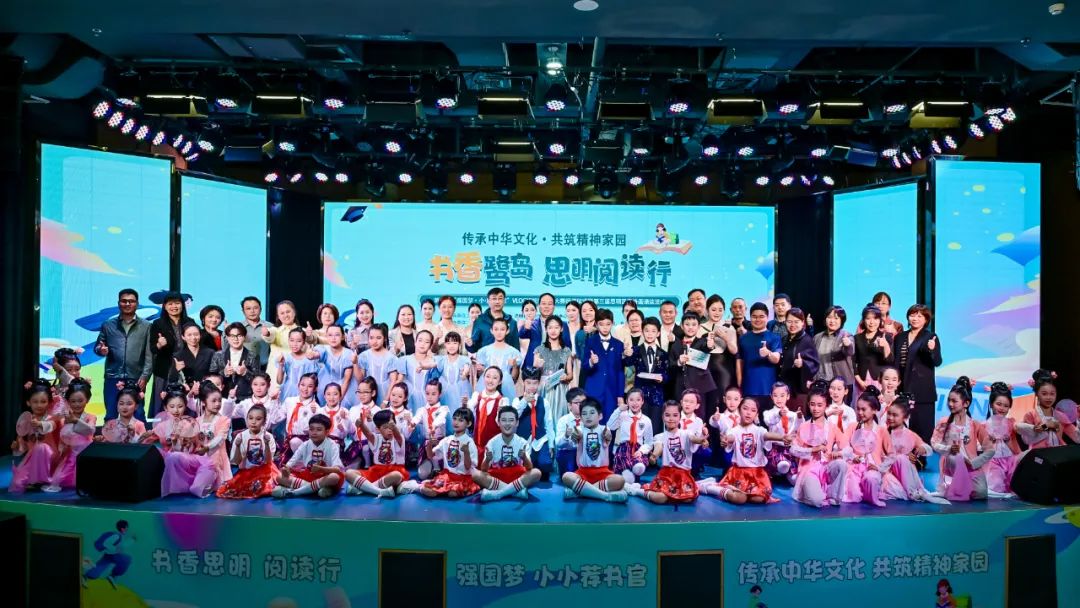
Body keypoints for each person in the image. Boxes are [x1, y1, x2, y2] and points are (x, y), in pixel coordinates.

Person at [698, 397, 786, 504]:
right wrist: (726, 440)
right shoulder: (734, 430)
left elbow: (767, 435)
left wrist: (783, 437)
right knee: (740, 499)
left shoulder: (759, 430)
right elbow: (731, 437)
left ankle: (741, 492)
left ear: (756, 414)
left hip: (757, 474)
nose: (748, 413)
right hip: (739, 473)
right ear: (739, 410)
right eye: (745, 408)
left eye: (753, 410)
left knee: (758, 499)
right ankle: (709, 488)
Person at [142, 386, 217, 498]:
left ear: (185, 407)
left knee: (174, 456)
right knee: (154, 451)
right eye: (172, 407)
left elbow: (193, 448)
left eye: (180, 406)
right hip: (170, 456)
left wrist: (178, 441)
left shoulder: (190, 424)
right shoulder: (162, 426)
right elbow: (144, 443)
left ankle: (188, 485)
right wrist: (143, 436)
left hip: (188, 458)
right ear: (165, 408)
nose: (176, 410)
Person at [628, 400, 708, 504]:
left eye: (675, 415)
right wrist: (654, 456)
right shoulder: (660, 436)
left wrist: (701, 440)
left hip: (684, 476)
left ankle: (673, 495)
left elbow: (693, 438)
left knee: (688, 498)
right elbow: (659, 447)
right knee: (660, 498)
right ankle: (637, 491)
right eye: (667, 415)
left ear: (680, 417)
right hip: (666, 475)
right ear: (663, 417)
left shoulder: (686, 433)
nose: (671, 419)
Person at [94, 288, 153, 421]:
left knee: (138, 415)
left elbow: (149, 355)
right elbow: (97, 347)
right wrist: (101, 350)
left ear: (137, 304)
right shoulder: (108, 325)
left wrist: (145, 376)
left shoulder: (146, 326)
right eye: (124, 301)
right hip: (113, 376)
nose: (127, 304)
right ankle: (111, 435)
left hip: (136, 377)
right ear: (118, 303)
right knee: (111, 414)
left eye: (131, 301)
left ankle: (139, 436)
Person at [931, 377, 992, 501]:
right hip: (952, 465)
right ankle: (953, 485)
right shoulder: (944, 422)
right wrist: (949, 449)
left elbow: (990, 449)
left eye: (954, 401)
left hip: (972, 466)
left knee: (981, 493)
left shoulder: (975, 424)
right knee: (956, 458)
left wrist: (974, 462)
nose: (950, 404)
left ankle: (962, 487)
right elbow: (934, 442)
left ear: (966, 404)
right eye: (949, 400)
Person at [879, 394, 949, 504]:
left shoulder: (910, 434)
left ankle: (911, 491)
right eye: (889, 414)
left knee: (901, 459)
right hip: (888, 470)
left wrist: (922, 449)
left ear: (905, 417)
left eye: (895, 415)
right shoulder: (883, 432)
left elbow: (928, 449)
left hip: (905, 471)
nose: (890, 418)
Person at [790, 380, 849, 508]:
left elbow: (848, 449)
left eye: (819, 405)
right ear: (808, 405)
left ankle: (833, 496)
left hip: (826, 467)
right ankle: (814, 492)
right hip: (809, 470)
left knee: (841, 464)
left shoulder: (832, 427)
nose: (815, 409)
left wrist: (839, 453)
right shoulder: (804, 426)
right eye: (812, 404)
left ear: (826, 406)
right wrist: (813, 450)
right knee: (817, 501)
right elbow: (793, 450)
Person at [891, 304, 942, 443]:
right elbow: (895, 362)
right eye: (912, 315)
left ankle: (922, 454)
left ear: (926, 319)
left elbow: (937, 361)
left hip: (923, 391)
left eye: (919, 316)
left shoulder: (930, 337)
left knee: (923, 429)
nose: (915, 318)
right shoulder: (900, 337)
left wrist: (932, 350)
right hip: (903, 389)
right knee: (903, 429)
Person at [560, 398, 628, 502]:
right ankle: (605, 496)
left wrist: (608, 436)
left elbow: (608, 436)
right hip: (583, 473)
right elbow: (577, 436)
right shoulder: (579, 430)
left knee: (620, 480)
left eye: (592, 413)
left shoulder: (605, 429)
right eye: (584, 414)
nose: (588, 416)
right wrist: (574, 436)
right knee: (566, 476)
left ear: (600, 416)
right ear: (581, 418)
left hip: (602, 472)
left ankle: (580, 492)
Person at [473, 406, 542, 501]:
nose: (507, 423)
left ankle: (498, 494)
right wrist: (488, 460)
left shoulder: (522, 442)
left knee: (536, 473)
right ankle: (516, 492)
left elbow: (529, 467)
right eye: (504, 420)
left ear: (517, 423)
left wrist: (524, 458)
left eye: (511, 420)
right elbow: (484, 469)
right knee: (475, 474)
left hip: (517, 477)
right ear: (498, 422)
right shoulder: (492, 442)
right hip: (497, 477)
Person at [271, 414, 344, 499]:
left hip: (326, 476)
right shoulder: (305, 444)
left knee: (334, 477)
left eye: (319, 429)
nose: (314, 432)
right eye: (311, 429)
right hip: (310, 476)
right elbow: (290, 464)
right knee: (279, 477)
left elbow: (337, 469)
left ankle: (294, 492)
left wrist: (321, 469)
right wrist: (286, 470)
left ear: (327, 432)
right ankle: (317, 489)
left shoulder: (333, 445)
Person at [216, 404, 279, 499]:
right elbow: (236, 461)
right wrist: (237, 446)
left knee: (273, 484)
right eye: (250, 418)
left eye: (258, 419)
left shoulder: (268, 436)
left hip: (265, 471)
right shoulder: (241, 436)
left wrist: (266, 444)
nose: (253, 422)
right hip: (247, 473)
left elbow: (268, 461)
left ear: (264, 421)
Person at [416, 407, 480, 498]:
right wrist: (429, 444)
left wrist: (466, 452)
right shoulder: (447, 440)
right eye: (455, 419)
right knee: (430, 491)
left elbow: (468, 467)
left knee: (453, 493)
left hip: (463, 477)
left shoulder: (469, 442)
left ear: (468, 423)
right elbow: (430, 456)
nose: (456, 422)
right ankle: (418, 487)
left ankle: (445, 490)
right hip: (447, 476)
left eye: (461, 420)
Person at [9, 380, 60, 493]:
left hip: (50, 457)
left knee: (41, 447)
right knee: (18, 483)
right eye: (35, 402)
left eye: (43, 402)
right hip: (32, 459)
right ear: (28, 403)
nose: (39, 405)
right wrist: (17, 447)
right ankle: (35, 479)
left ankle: (42, 479)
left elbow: (51, 426)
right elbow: (24, 446)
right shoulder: (26, 420)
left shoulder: (52, 418)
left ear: (49, 402)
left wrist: (40, 424)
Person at [346, 409, 408, 498]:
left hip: (394, 471)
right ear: (378, 429)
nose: (390, 430)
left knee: (396, 475)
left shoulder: (399, 437)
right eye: (385, 427)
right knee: (349, 473)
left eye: (392, 425)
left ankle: (363, 489)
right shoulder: (376, 438)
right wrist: (361, 424)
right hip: (376, 472)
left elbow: (398, 436)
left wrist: (394, 427)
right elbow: (368, 433)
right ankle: (379, 491)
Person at [842, 387, 887, 507]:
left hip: (872, 468)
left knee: (871, 479)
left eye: (864, 409)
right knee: (854, 496)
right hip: (854, 467)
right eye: (858, 409)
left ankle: (871, 494)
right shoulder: (853, 426)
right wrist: (852, 456)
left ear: (874, 410)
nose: (860, 412)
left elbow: (890, 454)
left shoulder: (881, 430)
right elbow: (843, 445)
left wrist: (880, 467)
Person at [623, 317, 668, 434]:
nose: (650, 334)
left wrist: (662, 378)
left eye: (653, 331)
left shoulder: (663, 353)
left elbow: (667, 374)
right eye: (647, 330)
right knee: (639, 430)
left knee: (656, 429)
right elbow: (626, 363)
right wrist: (626, 354)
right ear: (642, 332)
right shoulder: (636, 350)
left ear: (658, 333)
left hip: (657, 396)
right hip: (639, 397)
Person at [149, 292, 191, 417]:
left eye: (177, 303)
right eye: (170, 304)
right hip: (164, 370)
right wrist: (159, 345)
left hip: (185, 368)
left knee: (185, 403)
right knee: (162, 402)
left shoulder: (189, 322)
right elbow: (152, 349)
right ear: (165, 306)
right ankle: (160, 427)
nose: (174, 306)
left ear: (182, 305)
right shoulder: (157, 323)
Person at [50, 380, 97, 491]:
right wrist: (62, 448)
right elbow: (63, 436)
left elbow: (90, 430)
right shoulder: (65, 419)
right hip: (70, 453)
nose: (77, 404)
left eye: (80, 401)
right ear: (68, 401)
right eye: (73, 401)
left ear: (87, 400)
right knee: (59, 479)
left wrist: (76, 421)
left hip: (86, 453)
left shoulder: (90, 417)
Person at [737, 302, 782, 414]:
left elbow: (776, 359)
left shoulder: (774, 338)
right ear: (750, 317)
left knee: (767, 420)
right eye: (754, 316)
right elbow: (739, 362)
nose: (758, 319)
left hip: (768, 389)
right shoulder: (743, 338)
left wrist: (768, 353)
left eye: (761, 316)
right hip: (748, 388)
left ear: (767, 317)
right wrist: (739, 384)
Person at [581, 309, 626, 419]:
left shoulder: (619, 344)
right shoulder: (590, 341)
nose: (605, 327)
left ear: (613, 323)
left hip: (612, 391)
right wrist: (591, 362)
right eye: (601, 324)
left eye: (608, 324)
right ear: (596, 325)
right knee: (593, 421)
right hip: (594, 389)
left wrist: (620, 395)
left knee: (611, 422)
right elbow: (584, 366)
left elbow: (620, 371)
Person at [1018, 369, 1080, 448]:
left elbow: (1078, 438)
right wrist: (1046, 426)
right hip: (1039, 453)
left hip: (1058, 452)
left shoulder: (1061, 416)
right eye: (1044, 394)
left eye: (1052, 394)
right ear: (1037, 394)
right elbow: (1027, 440)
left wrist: (1078, 417)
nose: (1049, 397)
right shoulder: (1030, 415)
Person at [668, 312, 717, 411]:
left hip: (699, 387)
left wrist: (710, 344)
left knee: (699, 414)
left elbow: (707, 347)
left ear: (699, 327)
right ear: (682, 326)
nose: (690, 327)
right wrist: (678, 362)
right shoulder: (675, 344)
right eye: (687, 324)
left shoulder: (702, 341)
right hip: (680, 387)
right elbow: (670, 365)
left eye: (694, 325)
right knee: (680, 414)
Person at [531, 316, 575, 426]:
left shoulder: (566, 350)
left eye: (556, 327)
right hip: (544, 387)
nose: (553, 330)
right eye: (550, 327)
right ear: (546, 329)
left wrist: (566, 377)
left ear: (561, 329)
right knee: (543, 418)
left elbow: (570, 375)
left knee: (560, 418)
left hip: (560, 388)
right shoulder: (539, 349)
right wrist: (537, 367)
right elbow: (533, 373)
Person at [513, 367, 554, 479]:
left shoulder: (544, 402)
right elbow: (514, 417)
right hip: (523, 439)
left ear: (539, 383)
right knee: (521, 468)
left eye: (535, 383)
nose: (532, 386)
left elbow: (549, 424)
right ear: (523, 382)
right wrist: (524, 402)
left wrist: (551, 445)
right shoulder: (517, 401)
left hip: (540, 439)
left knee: (545, 465)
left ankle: (540, 468)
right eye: (528, 383)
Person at [607, 389, 654, 484]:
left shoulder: (646, 420)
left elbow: (649, 443)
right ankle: (626, 475)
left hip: (638, 449)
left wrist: (641, 451)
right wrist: (618, 410)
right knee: (623, 461)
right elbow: (610, 426)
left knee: (638, 464)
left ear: (642, 401)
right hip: (624, 448)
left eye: (638, 400)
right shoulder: (622, 415)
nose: (635, 403)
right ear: (627, 401)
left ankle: (636, 470)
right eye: (631, 400)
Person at [700, 295, 739, 409]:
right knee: (707, 403)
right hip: (705, 370)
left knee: (723, 401)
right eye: (713, 310)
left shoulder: (729, 328)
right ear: (707, 310)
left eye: (720, 310)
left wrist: (725, 338)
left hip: (724, 370)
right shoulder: (700, 328)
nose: (717, 313)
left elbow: (734, 350)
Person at [985, 381, 1021, 497]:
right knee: (996, 488)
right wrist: (989, 442)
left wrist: (1008, 440)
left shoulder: (1011, 423)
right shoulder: (984, 425)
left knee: (1016, 487)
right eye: (999, 404)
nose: (1002, 408)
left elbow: (1016, 447)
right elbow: (981, 448)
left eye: (1006, 406)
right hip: (994, 461)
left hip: (1011, 460)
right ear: (991, 404)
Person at [778, 308, 820, 411]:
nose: (792, 325)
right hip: (783, 389)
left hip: (798, 391)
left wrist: (803, 364)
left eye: (796, 322)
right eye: (789, 321)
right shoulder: (784, 339)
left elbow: (815, 364)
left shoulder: (807, 340)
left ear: (802, 323)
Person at [261, 300, 305, 392]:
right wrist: (266, 333)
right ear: (278, 316)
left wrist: (310, 336)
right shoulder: (275, 330)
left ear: (294, 312)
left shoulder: (303, 331)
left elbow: (311, 342)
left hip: (296, 373)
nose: (286, 315)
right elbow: (269, 336)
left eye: (288, 312)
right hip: (275, 372)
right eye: (282, 313)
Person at [193, 381, 233, 484]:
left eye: (219, 400)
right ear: (203, 402)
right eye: (214, 401)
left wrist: (206, 448)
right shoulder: (197, 421)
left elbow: (220, 438)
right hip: (200, 460)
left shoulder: (224, 420)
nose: (217, 404)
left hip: (216, 462)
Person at [209, 322, 259, 401]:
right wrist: (224, 372)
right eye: (232, 336)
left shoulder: (253, 356)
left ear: (244, 337)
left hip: (245, 398)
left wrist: (245, 373)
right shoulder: (218, 355)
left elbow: (258, 381)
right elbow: (210, 378)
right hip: (222, 398)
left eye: (239, 336)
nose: (236, 339)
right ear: (227, 337)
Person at [761, 382, 799, 484]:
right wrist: (778, 414)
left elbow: (797, 428)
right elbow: (768, 421)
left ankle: (790, 474)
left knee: (794, 476)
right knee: (780, 463)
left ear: (788, 396)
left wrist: (800, 418)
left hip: (788, 447)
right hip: (775, 447)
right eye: (775, 395)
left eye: (782, 396)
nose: (779, 399)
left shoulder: (793, 415)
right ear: (771, 396)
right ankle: (777, 470)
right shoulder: (768, 413)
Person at [474, 319, 521, 399]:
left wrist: (515, 366)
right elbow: (480, 374)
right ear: (491, 331)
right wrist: (480, 369)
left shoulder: (514, 352)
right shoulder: (483, 351)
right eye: (496, 329)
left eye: (502, 329)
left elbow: (514, 377)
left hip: (506, 384)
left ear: (507, 331)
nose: (499, 332)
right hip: (487, 383)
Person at [468, 367, 509, 459]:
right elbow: (468, 411)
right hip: (477, 444)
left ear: (500, 382)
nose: (490, 380)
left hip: (493, 448)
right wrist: (465, 405)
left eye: (495, 378)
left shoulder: (502, 401)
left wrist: (500, 413)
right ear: (484, 378)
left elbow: (503, 425)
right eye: (488, 376)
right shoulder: (477, 396)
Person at [280, 374, 321, 462]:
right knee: (283, 465)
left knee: (295, 442)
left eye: (310, 386)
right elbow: (277, 418)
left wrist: (314, 413)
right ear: (298, 385)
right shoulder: (289, 401)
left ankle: (305, 461)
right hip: (289, 440)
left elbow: (310, 430)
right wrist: (274, 401)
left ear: (315, 389)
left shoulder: (315, 408)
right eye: (303, 385)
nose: (305, 389)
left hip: (307, 441)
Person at [523, 293, 572, 368]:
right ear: (539, 306)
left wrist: (566, 366)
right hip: (534, 366)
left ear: (554, 306)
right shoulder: (532, 324)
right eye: (543, 303)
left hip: (556, 366)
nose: (546, 306)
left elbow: (567, 346)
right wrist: (526, 328)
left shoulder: (563, 325)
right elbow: (522, 334)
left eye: (549, 304)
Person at [355, 323, 399, 406]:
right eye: (371, 338)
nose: (374, 341)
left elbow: (393, 381)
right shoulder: (364, 356)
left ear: (384, 338)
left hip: (385, 394)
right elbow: (360, 379)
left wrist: (386, 400)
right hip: (368, 394)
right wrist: (355, 363)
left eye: (378, 338)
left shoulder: (391, 358)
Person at [396, 330, 439, 412]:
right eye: (420, 340)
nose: (422, 344)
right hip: (408, 398)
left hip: (426, 399)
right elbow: (399, 381)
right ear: (415, 342)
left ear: (430, 345)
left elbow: (435, 383)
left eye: (427, 342)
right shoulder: (405, 360)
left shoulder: (434, 362)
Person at [853, 305, 893, 394]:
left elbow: (890, 361)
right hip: (861, 381)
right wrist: (859, 381)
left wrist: (885, 345)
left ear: (880, 320)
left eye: (875, 319)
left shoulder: (886, 337)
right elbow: (852, 362)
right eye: (868, 319)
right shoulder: (856, 338)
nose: (871, 322)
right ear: (863, 320)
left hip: (879, 381)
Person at [414, 380, 449, 479]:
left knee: (442, 471)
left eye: (433, 394)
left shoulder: (443, 409)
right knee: (422, 475)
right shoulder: (422, 410)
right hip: (428, 444)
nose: (429, 397)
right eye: (427, 393)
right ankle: (430, 466)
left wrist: (434, 426)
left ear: (439, 394)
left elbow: (440, 419)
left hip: (439, 443)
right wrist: (411, 423)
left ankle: (438, 469)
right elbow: (416, 418)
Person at [168, 322, 215, 392]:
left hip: (206, 391)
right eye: (189, 335)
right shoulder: (177, 356)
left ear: (200, 335)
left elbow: (215, 374)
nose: (193, 338)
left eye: (196, 334)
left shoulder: (210, 353)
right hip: (186, 391)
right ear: (183, 337)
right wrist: (176, 370)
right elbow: (171, 380)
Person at [275, 328, 321, 401]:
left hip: (305, 392)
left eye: (299, 341)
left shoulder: (310, 359)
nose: (295, 344)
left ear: (304, 342)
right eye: (292, 340)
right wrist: (281, 365)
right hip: (288, 392)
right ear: (288, 340)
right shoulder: (285, 358)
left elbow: (315, 379)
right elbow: (279, 381)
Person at [813, 306, 855, 384]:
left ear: (842, 320)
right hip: (821, 381)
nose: (832, 321)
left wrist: (848, 345)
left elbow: (849, 352)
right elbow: (814, 360)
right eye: (829, 317)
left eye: (836, 318)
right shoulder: (817, 337)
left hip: (840, 384)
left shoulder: (847, 336)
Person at [470, 288, 520, 352]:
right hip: (485, 358)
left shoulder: (512, 322)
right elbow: (474, 348)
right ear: (488, 301)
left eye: (500, 298)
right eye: (494, 299)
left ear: (504, 301)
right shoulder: (479, 321)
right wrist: (470, 345)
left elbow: (516, 347)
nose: (497, 302)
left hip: (506, 358)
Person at [436, 331, 474, 410]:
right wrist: (423, 366)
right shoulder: (441, 359)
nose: (451, 346)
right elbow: (432, 364)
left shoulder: (464, 359)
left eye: (455, 343)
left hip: (461, 390)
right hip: (445, 391)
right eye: (448, 343)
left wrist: (464, 373)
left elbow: (466, 367)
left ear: (459, 345)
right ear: (445, 345)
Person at [555, 389, 585, 475]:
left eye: (583, 402)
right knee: (568, 460)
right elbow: (558, 444)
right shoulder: (563, 420)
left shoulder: (589, 419)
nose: (581, 405)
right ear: (569, 405)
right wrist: (566, 436)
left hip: (584, 452)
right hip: (568, 452)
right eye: (577, 402)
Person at [240, 296, 271, 371]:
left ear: (260, 309)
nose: (252, 311)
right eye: (248, 308)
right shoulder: (238, 328)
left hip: (265, 368)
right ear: (243, 311)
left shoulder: (270, 326)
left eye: (255, 308)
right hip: (243, 368)